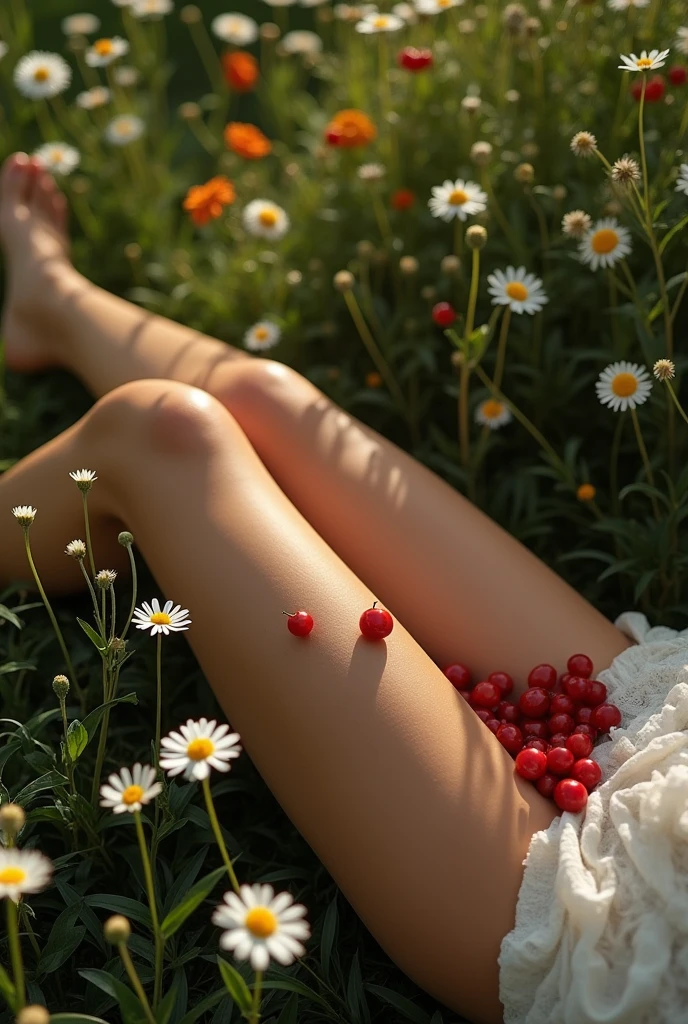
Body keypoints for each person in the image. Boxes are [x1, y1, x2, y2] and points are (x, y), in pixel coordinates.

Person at [2, 151, 679, 1024]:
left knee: (163, 435)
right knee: (265, 399)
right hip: (668, 732)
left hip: (616, 920)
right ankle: (51, 300)